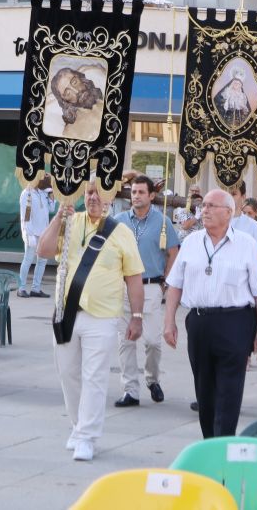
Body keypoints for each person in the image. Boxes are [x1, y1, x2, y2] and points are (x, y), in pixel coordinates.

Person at [37, 180, 144, 463]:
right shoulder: (70, 222)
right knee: (67, 374)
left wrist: (136, 316)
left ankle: (87, 437)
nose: (94, 197)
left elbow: (133, 277)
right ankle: (77, 426)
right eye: (89, 192)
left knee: (94, 377)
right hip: (66, 314)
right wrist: (59, 217)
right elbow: (43, 251)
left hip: (103, 316)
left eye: (99, 192)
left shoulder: (121, 232)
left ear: (110, 196)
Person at [163, 189, 257, 437]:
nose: (205, 210)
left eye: (212, 206)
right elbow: (175, 285)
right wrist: (169, 321)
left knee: (229, 389)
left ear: (229, 213)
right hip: (199, 322)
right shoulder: (191, 242)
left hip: (235, 322)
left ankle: (224, 445)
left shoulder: (246, 245)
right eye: (204, 206)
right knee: (204, 389)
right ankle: (209, 442)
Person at [114, 174, 180, 407]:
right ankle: (130, 389)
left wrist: (166, 281)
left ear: (151, 195)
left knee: (152, 340)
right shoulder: (119, 220)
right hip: (122, 287)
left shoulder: (163, 222)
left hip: (150, 286)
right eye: (133, 192)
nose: (136, 196)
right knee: (125, 340)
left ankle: (152, 379)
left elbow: (173, 252)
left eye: (141, 192)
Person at [17, 178, 54, 297]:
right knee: (28, 260)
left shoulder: (43, 192)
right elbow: (26, 215)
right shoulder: (26, 193)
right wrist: (29, 233)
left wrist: (51, 193)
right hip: (32, 232)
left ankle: (36, 288)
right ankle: (21, 288)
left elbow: (52, 209)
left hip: (44, 232)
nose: (42, 179)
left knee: (42, 261)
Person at [228, 181, 257, 265]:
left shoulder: (253, 225)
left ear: (243, 197)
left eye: (233, 194)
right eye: (226, 193)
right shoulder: (217, 222)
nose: (228, 197)